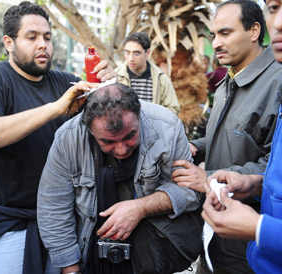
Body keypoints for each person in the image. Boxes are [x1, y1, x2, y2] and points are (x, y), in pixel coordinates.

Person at [0, 1, 115, 273]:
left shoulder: (64, 81)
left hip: (62, 220)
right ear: (9, 42)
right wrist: (56, 108)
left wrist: (109, 84)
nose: (43, 44)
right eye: (31, 37)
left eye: (47, 37)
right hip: (12, 222)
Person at [171, 0, 282, 273]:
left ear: (254, 31)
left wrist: (209, 177)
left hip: (251, 239)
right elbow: (228, 136)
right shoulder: (229, 80)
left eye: (225, 33)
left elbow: (280, 166)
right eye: (213, 36)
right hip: (215, 230)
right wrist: (195, 147)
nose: (215, 44)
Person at [37, 83, 201, 274]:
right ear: (88, 128)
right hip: (88, 258)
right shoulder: (67, 139)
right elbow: (53, 209)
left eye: (130, 136)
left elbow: (190, 191)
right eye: (108, 142)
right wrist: (71, 269)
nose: (122, 150)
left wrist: (141, 207)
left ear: (140, 116)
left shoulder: (168, 128)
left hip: (153, 258)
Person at [202, 0, 282, 273]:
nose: (281, 21)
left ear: (253, 32)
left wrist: (260, 228)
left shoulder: (279, 81)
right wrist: (255, 183)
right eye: (274, 7)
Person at [116, 32, 180, 116]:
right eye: (127, 53)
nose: (131, 58)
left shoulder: (161, 78)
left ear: (147, 53)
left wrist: (154, 117)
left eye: (136, 53)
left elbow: (173, 109)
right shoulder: (115, 77)